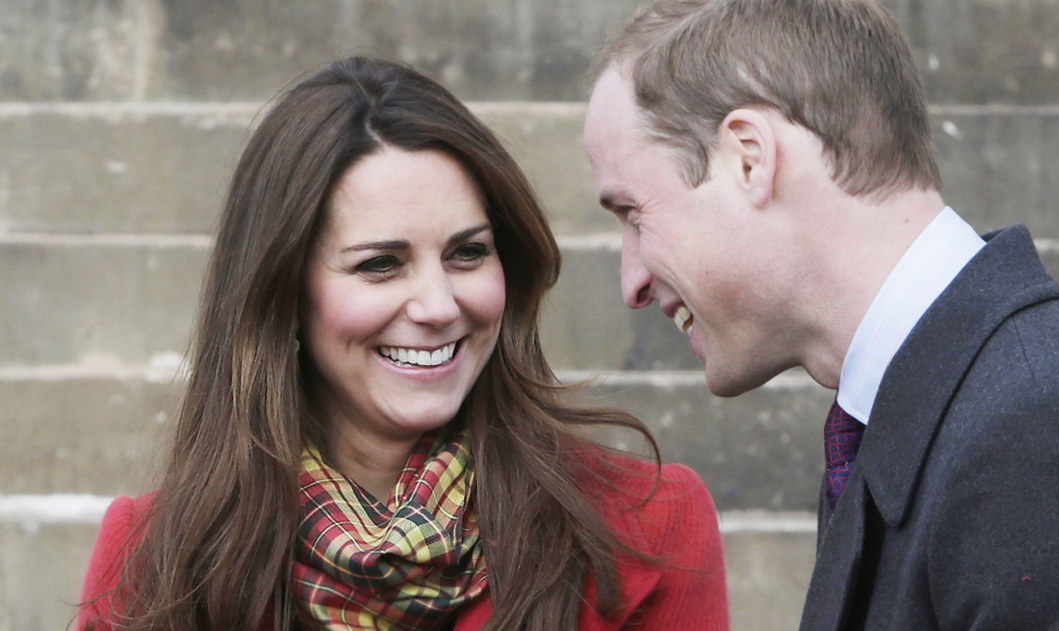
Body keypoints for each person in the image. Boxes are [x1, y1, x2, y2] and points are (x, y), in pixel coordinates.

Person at [583, 0, 1059, 629]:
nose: (631, 281)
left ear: (749, 157)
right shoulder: (947, 414)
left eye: (632, 213)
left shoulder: (1050, 431)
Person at [77, 56, 728, 631]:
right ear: (286, 295)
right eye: (380, 263)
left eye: (468, 253)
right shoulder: (155, 557)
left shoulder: (651, 524)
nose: (439, 306)